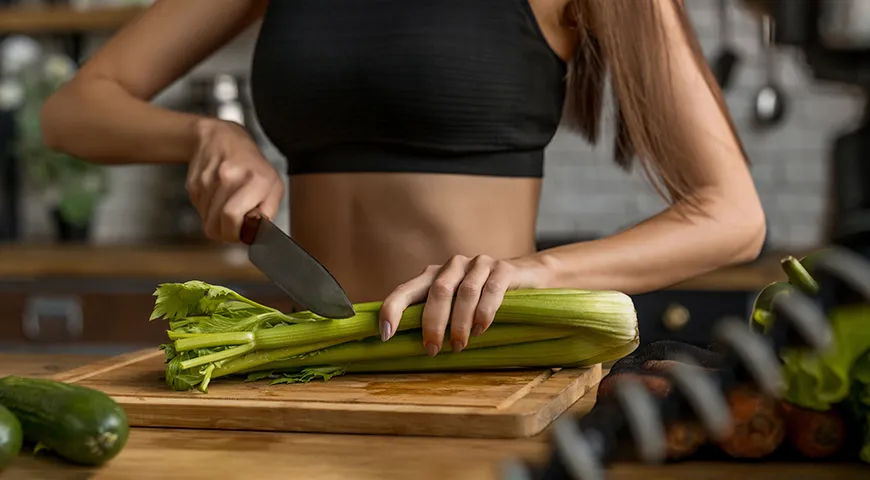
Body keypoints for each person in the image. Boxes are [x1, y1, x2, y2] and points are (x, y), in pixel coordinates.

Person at [40, 0, 765, 358]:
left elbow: (732, 214)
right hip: (309, 361)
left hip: (484, 370)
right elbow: (75, 107)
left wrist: (534, 274)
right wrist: (204, 134)